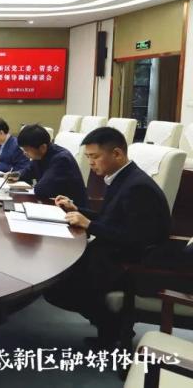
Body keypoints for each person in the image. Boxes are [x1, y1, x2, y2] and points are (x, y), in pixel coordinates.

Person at [45, 127, 171, 347]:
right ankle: (110, 327)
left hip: (131, 264)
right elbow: (111, 218)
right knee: (58, 275)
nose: (90, 163)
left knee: (58, 286)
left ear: (117, 154)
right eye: (87, 157)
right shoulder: (123, 177)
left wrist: (89, 224)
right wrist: (78, 210)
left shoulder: (138, 187)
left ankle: (111, 328)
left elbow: (135, 238)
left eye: (94, 157)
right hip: (115, 253)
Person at [16, 124, 87, 207]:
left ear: (42, 147)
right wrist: (15, 175)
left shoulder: (61, 159)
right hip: (53, 203)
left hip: (72, 210)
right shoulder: (40, 154)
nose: (24, 153)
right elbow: (27, 172)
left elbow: (42, 190)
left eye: (26, 150)